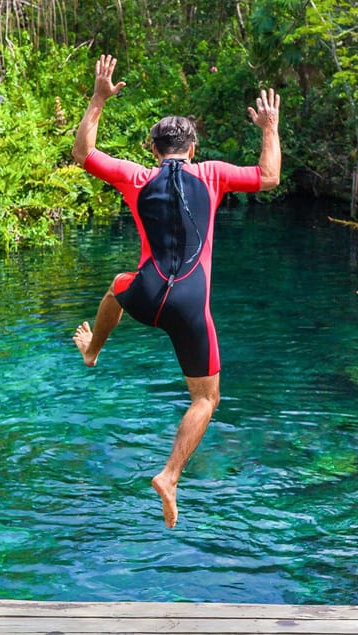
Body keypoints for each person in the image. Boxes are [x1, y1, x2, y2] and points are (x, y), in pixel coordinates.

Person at [71, 55, 281, 529]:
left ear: (152, 147)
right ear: (194, 147)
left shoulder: (137, 177)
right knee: (206, 400)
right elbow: (269, 177)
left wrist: (99, 99)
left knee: (116, 287)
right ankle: (169, 475)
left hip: (145, 296)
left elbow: (82, 154)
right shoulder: (212, 175)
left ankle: (93, 352)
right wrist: (269, 127)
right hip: (189, 307)